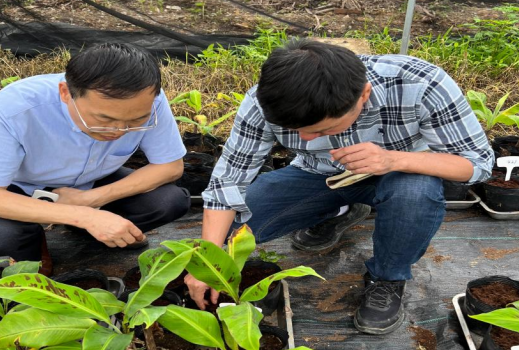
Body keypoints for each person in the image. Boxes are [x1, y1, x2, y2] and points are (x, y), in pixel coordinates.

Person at [185, 38, 494, 335]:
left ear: (363, 95)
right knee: (235, 230)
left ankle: (386, 279)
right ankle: (339, 210)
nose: (306, 139)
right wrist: (209, 262)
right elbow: (228, 181)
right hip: (316, 176)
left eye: (323, 129)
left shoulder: (420, 84)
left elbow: (478, 163)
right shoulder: (263, 102)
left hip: (399, 173)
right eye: (296, 131)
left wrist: (391, 160)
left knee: (415, 194)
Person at [0, 43, 190, 276]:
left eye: (136, 121)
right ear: (65, 93)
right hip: (20, 187)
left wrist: (90, 200)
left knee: (168, 201)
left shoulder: (148, 101)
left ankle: (93, 231)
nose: (119, 130)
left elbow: (170, 166)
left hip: (91, 181)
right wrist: (85, 216)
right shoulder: (13, 109)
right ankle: (31, 251)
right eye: (104, 119)